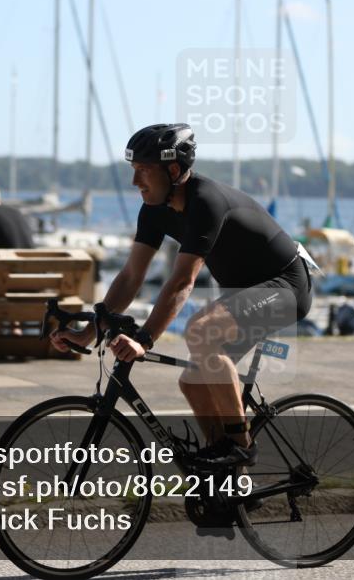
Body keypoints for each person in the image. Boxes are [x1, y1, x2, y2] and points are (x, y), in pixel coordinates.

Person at [51, 124, 313, 468]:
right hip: (244, 293)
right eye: (133, 171)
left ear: (173, 170)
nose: (135, 182)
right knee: (192, 382)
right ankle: (220, 477)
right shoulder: (154, 208)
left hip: (285, 286)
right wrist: (89, 332)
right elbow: (131, 276)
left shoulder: (206, 201)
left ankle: (240, 445)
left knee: (201, 329)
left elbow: (181, 282)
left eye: (144, 171)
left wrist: (145, 339)